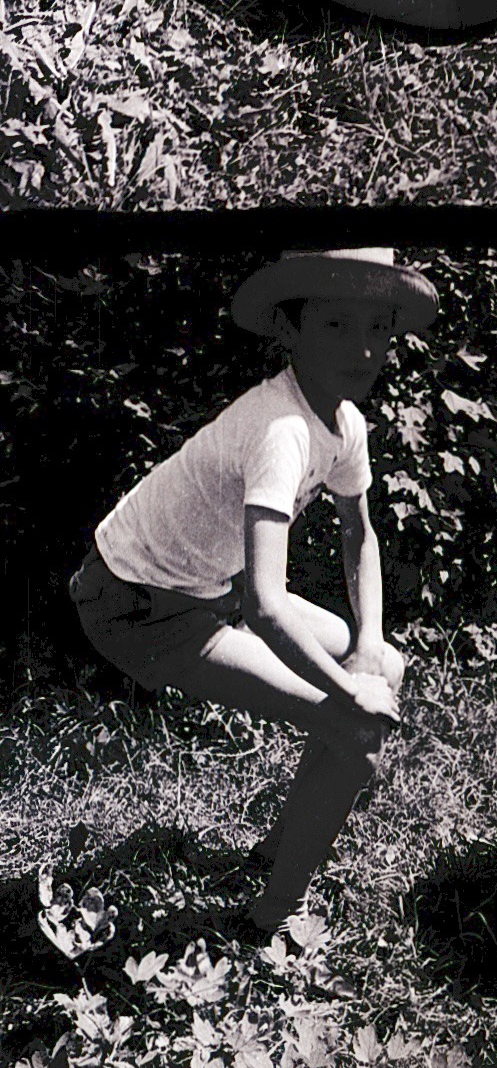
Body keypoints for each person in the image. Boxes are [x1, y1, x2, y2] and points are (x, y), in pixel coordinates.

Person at [68, 248, 439, 939]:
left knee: (385, 665)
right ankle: (273, 917)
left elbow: (360, 536)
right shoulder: (281, 431)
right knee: (356, 728)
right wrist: (345, 689)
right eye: (335, 326)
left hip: (208, 591)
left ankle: (277, 852)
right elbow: (268, 608)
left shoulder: (343, 422)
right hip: (136, 607)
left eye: (378, 328)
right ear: (289, 332)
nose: (362, 348)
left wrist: (365, 647)